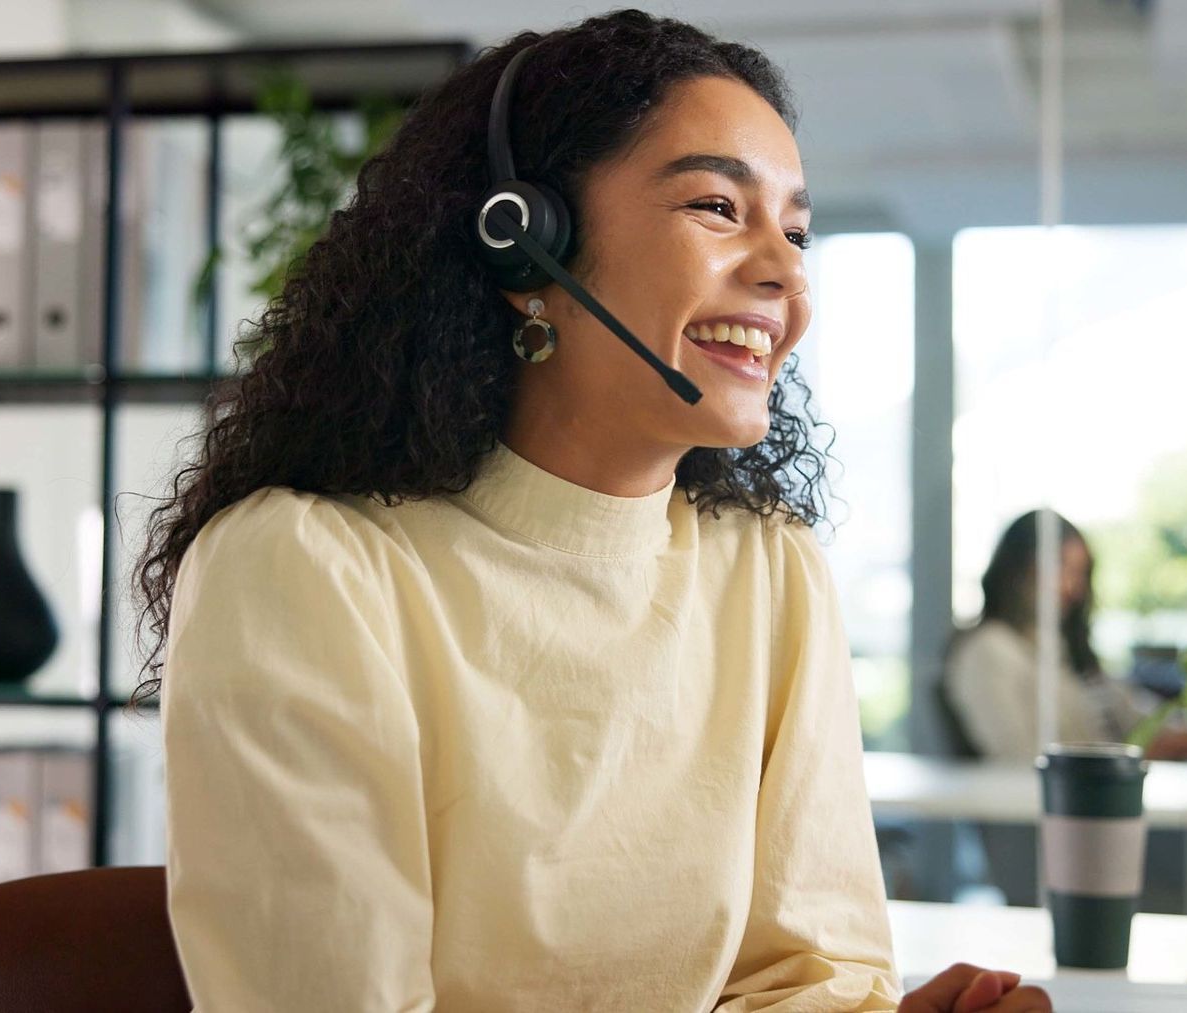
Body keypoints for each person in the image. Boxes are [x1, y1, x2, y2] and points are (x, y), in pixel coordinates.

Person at [133, 10, 1049, 1012]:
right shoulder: (306, 569)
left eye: (795, 229)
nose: (785, 273)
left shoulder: (766, 570)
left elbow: (809, 975)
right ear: (525, 245)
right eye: (715, 206)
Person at [942, 510, 1187, 763]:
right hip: (1053, 813)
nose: (1071, 587)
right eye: (1060, 567)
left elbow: (1134, 713)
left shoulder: (1062, 651)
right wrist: (1139, 754)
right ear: (1018, 568)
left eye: (1079, 573)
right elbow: (1019, 759)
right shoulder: (988, 650)